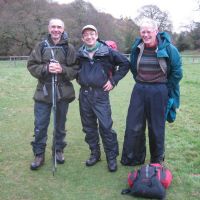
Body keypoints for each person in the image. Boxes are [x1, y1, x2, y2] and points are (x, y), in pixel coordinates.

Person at [121, 19, 183, 166]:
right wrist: (141, 80)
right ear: (140, 32)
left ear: (156, 31)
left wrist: (165, 88)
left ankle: (156, 160)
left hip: (159, 90)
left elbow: (177, 72)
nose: (146, 34)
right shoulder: (138, 46)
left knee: (156, 127)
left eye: (149, 31)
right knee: (133, 125)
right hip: (140, 89)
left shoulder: (169, 49)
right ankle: (134, 158)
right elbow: (133, 67)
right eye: (143, 31)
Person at [77, 25, 130, 172]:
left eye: (92, 34)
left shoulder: (108, 51)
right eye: (86, 35)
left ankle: (111, 158)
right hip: (85, 94)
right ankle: (95, 154)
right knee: (88, 127)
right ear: (83, 38)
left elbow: (125, 64)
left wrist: (113, 81)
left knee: (106, 127)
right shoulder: (79, 53)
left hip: (101, 95)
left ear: (96, 35)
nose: (89, 37)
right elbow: (73, 69)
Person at [27, 18, 78, 170]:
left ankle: (58, 150)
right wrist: (46, 69)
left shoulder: (69, 48)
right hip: (43, 93)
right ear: (49, 29)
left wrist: (62, 69)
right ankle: (39, 154)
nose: (56, 30)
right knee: (40, 125)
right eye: (53, 27)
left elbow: (75, 69)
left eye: (59, 27)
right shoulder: (41, 46)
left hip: (62, 93)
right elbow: (31, 65)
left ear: (63, 29)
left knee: (60, 125)